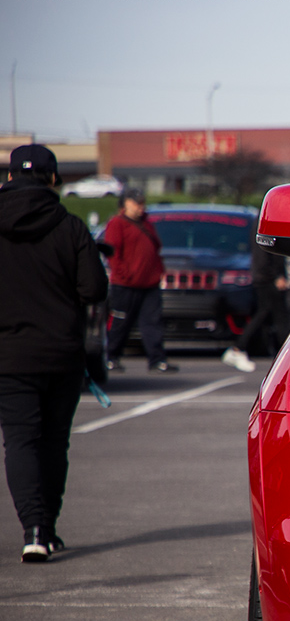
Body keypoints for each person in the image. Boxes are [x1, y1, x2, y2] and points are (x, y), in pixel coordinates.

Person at [0, 145, 108, 561]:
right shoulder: (70, 227)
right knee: (53, 442)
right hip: (60, 351)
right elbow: (93, 290)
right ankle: (47, 527)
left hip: (8, 354)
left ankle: (32, 530)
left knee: (20, 441)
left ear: (9, 177)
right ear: (53, 179)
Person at [104, 188, 177, 372]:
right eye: (136, 203)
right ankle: (110, 357)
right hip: (125, 285)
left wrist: (157, 271)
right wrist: (123, 273)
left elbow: (155, 246)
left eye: (142, 203)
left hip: (149, 283)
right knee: (121, 322)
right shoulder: (117, 224)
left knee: (152, 323)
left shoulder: (146, 223)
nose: (140, 207)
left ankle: (157, 360)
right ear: (125, 204)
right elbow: (113, 253)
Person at [222, 239, 288, 373]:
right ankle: (286, 355)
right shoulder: (268, 221)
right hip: (267, 277)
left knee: (267, 313)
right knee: (277, 316)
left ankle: (239, 347)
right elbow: (267, 250)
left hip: (263, 275)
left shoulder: (261, 221)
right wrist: (277, 275)